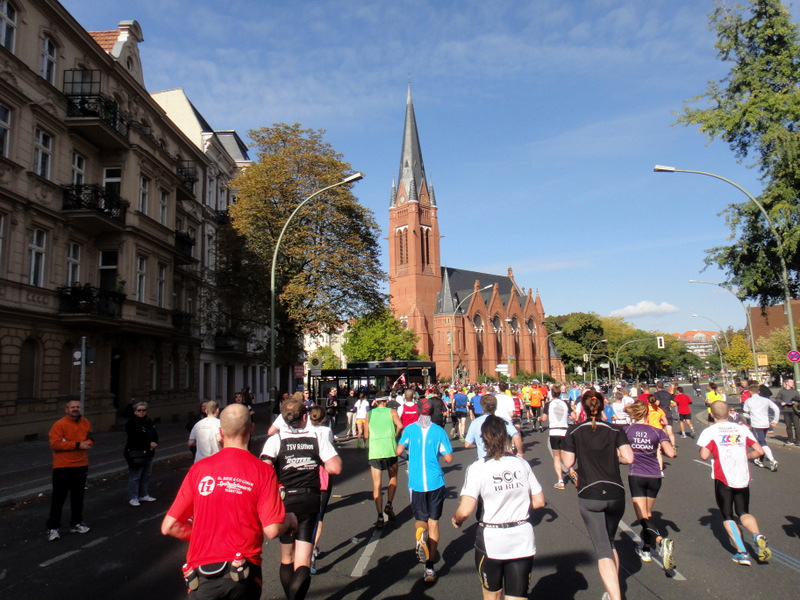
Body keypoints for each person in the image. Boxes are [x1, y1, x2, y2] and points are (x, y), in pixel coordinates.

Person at [161, 404, 296, 600]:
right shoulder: (262, 471)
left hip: (201, 575)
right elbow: (272, 529)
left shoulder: (199, 470)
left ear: (221, 432)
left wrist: (208, 533)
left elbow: (169, 526)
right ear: (251, 429)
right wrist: (289, 519)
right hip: (242, 571)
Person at [452, 416, 546, 600]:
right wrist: (517, 505)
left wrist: (457, 520)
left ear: (483, 439)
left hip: (492, 537)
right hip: (521, 535)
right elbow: (539, 501)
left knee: (492, 593)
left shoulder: (478, 468)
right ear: (505, 437)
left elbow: (465, 510)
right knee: (517, 595)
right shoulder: (521, 464)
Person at [260, 394, 341, 600]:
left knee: (286, 558)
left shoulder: (275, 441)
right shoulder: (316, 438)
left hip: (285, 501)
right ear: (304, 417)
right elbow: (335, 468)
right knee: (303, 561)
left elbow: (263, 471)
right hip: (309, 499)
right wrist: (317, 461)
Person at [562, 390, 633, 600]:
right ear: (603, 406)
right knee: (610, 542)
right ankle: (613, 592)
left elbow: (568, 463)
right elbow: (628, 458)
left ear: (582, 407)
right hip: (615, 492)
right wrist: (613, 457)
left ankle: (616, 597)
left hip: (589, 492)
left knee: (603, 548)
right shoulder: (615, 429)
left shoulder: (574, 431)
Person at [697, 400, 772, 566]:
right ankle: (757, 535)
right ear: (729, 413)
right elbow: (759, 451)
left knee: (728, 516)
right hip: (743, 476)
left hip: (723, 477)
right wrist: (745, 457)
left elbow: (703, 455)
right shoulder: (742, 429)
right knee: (743, 511)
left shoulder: (711, 431)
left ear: (711, 414)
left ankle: (742, 552)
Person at [396, 402, 453, 583]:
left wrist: (409, 456)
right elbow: (449, 458)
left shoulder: (410, 429)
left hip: (416, 481)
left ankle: (420, 533)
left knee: (421, 520)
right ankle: (430, 567)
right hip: (435, 481)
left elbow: (399, 450)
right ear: (432, 412)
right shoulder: (438, 431)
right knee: (434, 523)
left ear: (419, 411)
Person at [624, 401, 676, 569]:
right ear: (647, 413)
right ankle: (646, 548)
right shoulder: (657, 431)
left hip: (637, 474)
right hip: (655, 475)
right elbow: (670, 453)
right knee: (647, 514)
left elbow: (622, 456)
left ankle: (661, 541)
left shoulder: (627, 431)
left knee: (642, 516)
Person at [46, 399, 94, 541]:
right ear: (66, 410)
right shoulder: (59, 425)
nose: (75, 409)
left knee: (78, 497)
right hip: (62, 467)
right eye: (72, 407)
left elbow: (90, 439)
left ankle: (76, 523)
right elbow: (55, 444)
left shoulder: (85, 423)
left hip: (81, 465)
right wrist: (78, 444)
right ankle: (53, 528)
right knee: (59, 498)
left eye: (77, 407)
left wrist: (86, 443)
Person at [365, 394, 404, 529]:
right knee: (393, 476)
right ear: (386, 401)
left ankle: (380, 516)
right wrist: (394, 434)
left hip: (375, 452)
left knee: (377, 484)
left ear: (376, 402)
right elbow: (400, 425)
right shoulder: (392, 411)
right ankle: (389, 503)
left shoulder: (369, 414)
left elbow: (366, 434)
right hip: (390, 449)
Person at [307, 406, 334, 575]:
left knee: (305, 515)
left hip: (306, 474)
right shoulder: (327, 431)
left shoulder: (304, 430)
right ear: (323, 418)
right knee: (319, 516)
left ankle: (302, 550)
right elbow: (329, 450)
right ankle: (312, 551)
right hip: (323, 474)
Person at [465, 394, 523, 461]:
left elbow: (467, 444)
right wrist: (520, 452)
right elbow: (517, 436)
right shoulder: (503, 420)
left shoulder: (475, 422)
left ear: (482, 407)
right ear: (495, 406)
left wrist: (479, 444)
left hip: (484, 459)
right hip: (502, 458)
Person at [124, 401, 158, 507]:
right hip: (136, 453)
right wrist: (149, 443)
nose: (142, 412)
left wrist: (154, 442)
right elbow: (134, 438)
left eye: (144, 410)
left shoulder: (149, 422)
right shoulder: (131, 423)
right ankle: (133, 497)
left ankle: (143, 494)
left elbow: (154, 433)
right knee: (135, 476)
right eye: (139, 410)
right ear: (134, 412)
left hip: (149, 452)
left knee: (146, 475)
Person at [742, 382, 781, 471]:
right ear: (758, 391)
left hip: (756, 425)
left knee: (762, 443)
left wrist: (751, 416)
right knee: (760, 442)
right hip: (765, 424)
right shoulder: (765, 400)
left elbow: (745, 413)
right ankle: (760, 459)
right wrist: (775, 420)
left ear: (750, 392)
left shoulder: (748, 401)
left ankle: (772, 460)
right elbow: (776, 409)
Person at [546, 385, 573, 490]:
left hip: (554, 432)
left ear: (552, 393)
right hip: (565, 431)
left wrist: (539, 418)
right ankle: (571, 470)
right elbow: (573, 416)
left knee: (557, 457)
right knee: (565, 455)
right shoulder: (565, 403)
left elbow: (543, 418)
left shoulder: (548, 404)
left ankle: (560, 481)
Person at [775, 378, 800, 446]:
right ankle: (790, 440)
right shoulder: (781, 391)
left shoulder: (795, 391)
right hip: (786, 410)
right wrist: (782, 402)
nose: (792, 383)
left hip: (794, 410)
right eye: (791, 382)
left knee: (797, 426)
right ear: (786, 383)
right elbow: (777, 399)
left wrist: (795, 401)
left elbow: (798, 399)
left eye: (793, 382)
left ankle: (798, 440)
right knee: (788, 426)